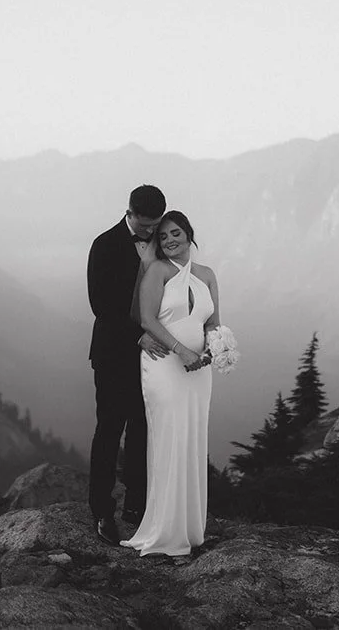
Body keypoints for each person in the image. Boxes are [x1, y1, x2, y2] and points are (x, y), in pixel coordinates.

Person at [122, 209, 220, 560]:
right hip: (164, 364)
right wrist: (181, 351)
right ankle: (165, 531)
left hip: (199, 370)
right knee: (169, 438)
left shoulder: (207, 275)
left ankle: (191, 529)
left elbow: (213, 322)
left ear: (189, 233)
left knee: (193, 438)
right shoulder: (157, 271)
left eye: (176, 233)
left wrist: (214, 348)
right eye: (162, 237)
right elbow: (147, 318)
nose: (170, 240)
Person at [87, 184, 170, 545]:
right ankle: (101, 511)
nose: (151, 231)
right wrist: (138, 335)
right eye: (146, 224)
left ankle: (137, 505)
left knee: (143, 428)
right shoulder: (104, 244)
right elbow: (100, 305)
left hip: (152, 356)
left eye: (156, 225)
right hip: (113, 353)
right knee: (109, 429)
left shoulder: (162, 242)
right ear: (130, 212)